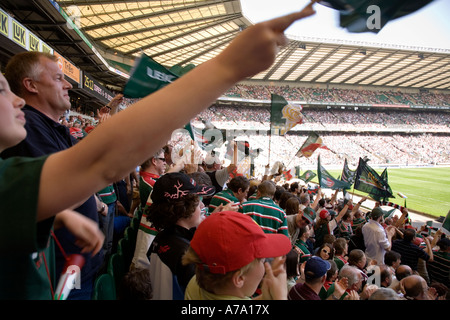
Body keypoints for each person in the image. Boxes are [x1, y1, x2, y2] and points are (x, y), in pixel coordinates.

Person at [0, 4, 317, 299]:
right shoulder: (29, 137)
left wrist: (63, 214)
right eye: (3, 90)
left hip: (71, 266)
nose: (17, 101)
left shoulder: (44, 138)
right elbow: (102, 161)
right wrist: (227, 67)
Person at [1, 51, 105, 299]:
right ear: (31, 85)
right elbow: (66, 189)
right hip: (61, 271)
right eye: (59, 78)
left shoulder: (53, 128)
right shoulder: (30, 127)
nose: (68, 84)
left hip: (74, 265)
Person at [182, 211, 292, 300]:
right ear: (239, 279)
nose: (266, 263)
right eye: (261, 260)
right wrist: (280, 297)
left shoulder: (196, 283)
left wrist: (266, 297)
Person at [147, 172, 215, 300]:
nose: (202, 205)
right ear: (183, 209)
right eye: (197, 201)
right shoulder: (186, 254)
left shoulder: (161, 237)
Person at [131, 149, 167, 270]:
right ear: (154, 161)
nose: (165, 163)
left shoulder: (150, 179)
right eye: (163, 159)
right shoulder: (150, 183)